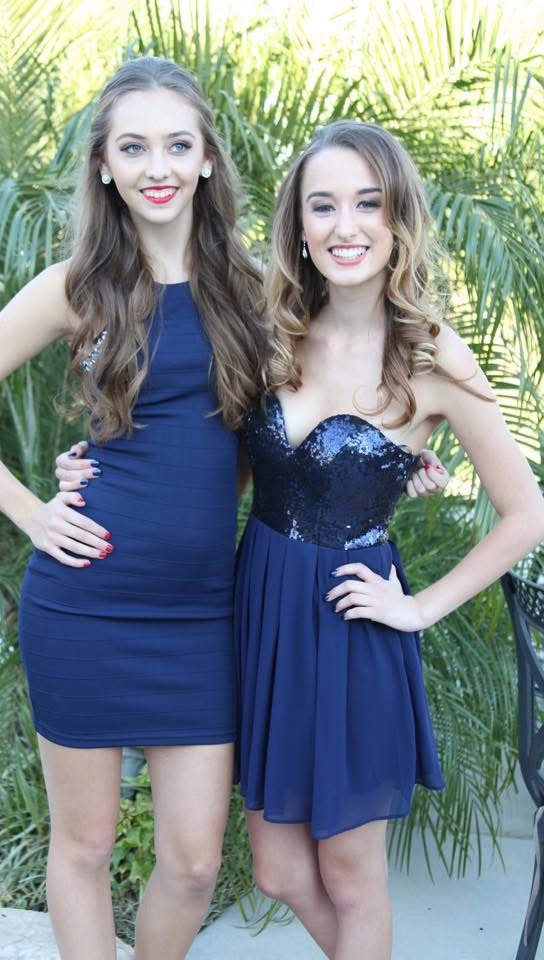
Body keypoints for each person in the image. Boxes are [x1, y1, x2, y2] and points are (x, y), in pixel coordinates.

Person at [0, 56, 269, 960]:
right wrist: (33, 512)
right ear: (105, 165)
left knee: (194, 864)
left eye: (177, 145)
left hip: (202, 614)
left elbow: (287, 423)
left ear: (207, 159)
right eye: (134, 147)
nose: (158, 166)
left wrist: (403, 453)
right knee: (85, 847)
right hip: (85, 601)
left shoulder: (254, 289)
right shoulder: (76, 286)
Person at [229, 120, 544, 960]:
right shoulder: (272, 335)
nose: (347, 226)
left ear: (399, 219)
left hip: (354, 619)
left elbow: (527, 512)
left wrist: (420, 609)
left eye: (368, 204)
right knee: (276, 870)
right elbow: (234, 472)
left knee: (349, 874)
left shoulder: (430, 355)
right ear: (298, 224)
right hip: (265, 613)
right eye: (323, 205)